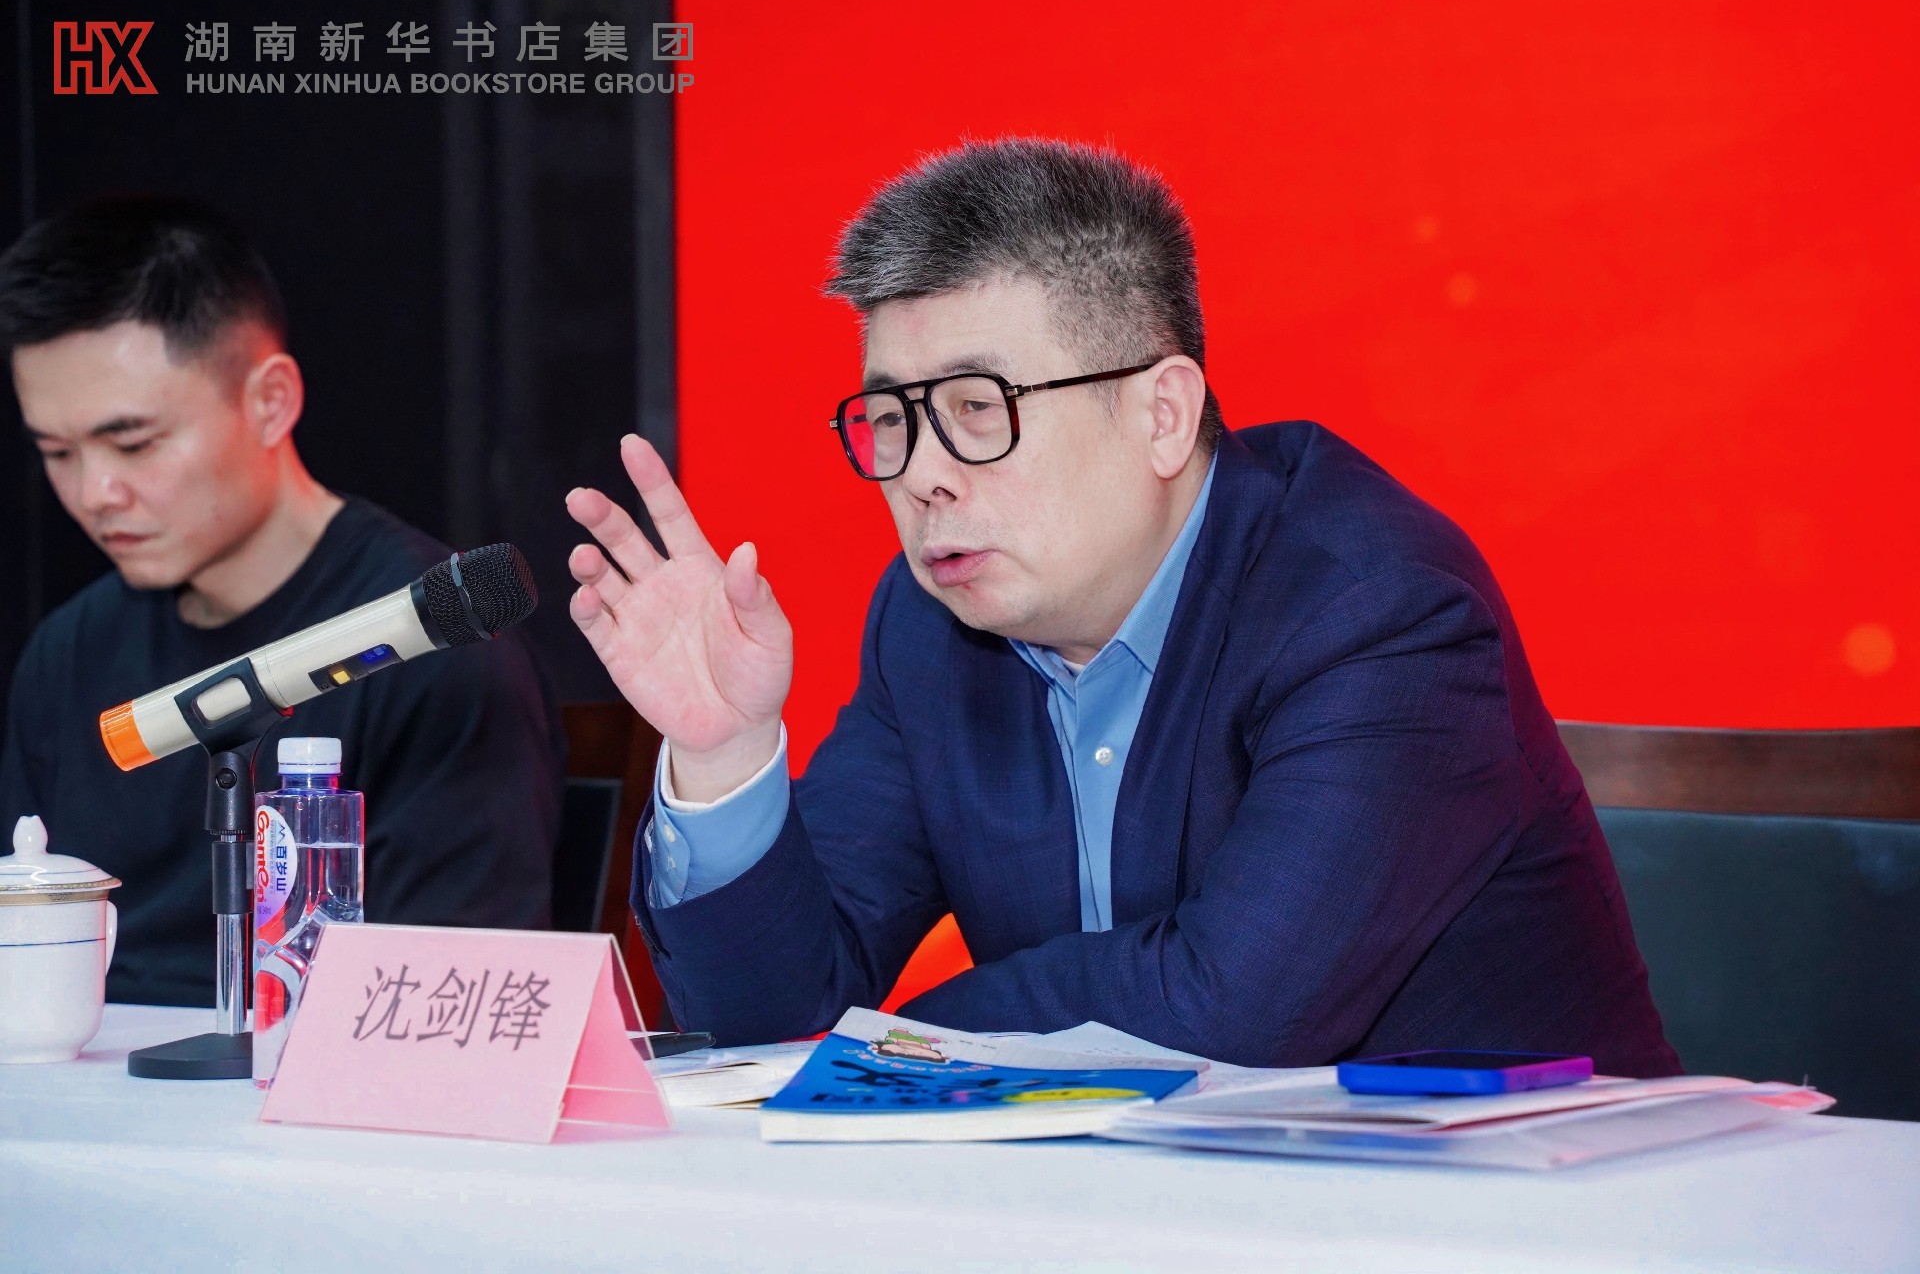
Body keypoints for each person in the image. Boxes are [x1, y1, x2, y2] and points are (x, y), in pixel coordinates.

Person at [565, 139, 1679, 1075]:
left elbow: (1235, 1008)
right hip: (1116, 1205)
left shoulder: (1375, 610)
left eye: (977, 407)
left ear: (1162, 415)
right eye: (892, 419)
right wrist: (724, 756)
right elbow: (770, 1016)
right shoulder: (932, 626)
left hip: (1500, 1212)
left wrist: (896, 1042)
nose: (923, 475)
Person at [0, 195, 565, 1007]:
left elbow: (454, 1001)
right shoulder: (67, 653)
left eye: (133, 443)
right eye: (58, 452)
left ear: (270, 401)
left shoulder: (428, 642)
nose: (95, 493)